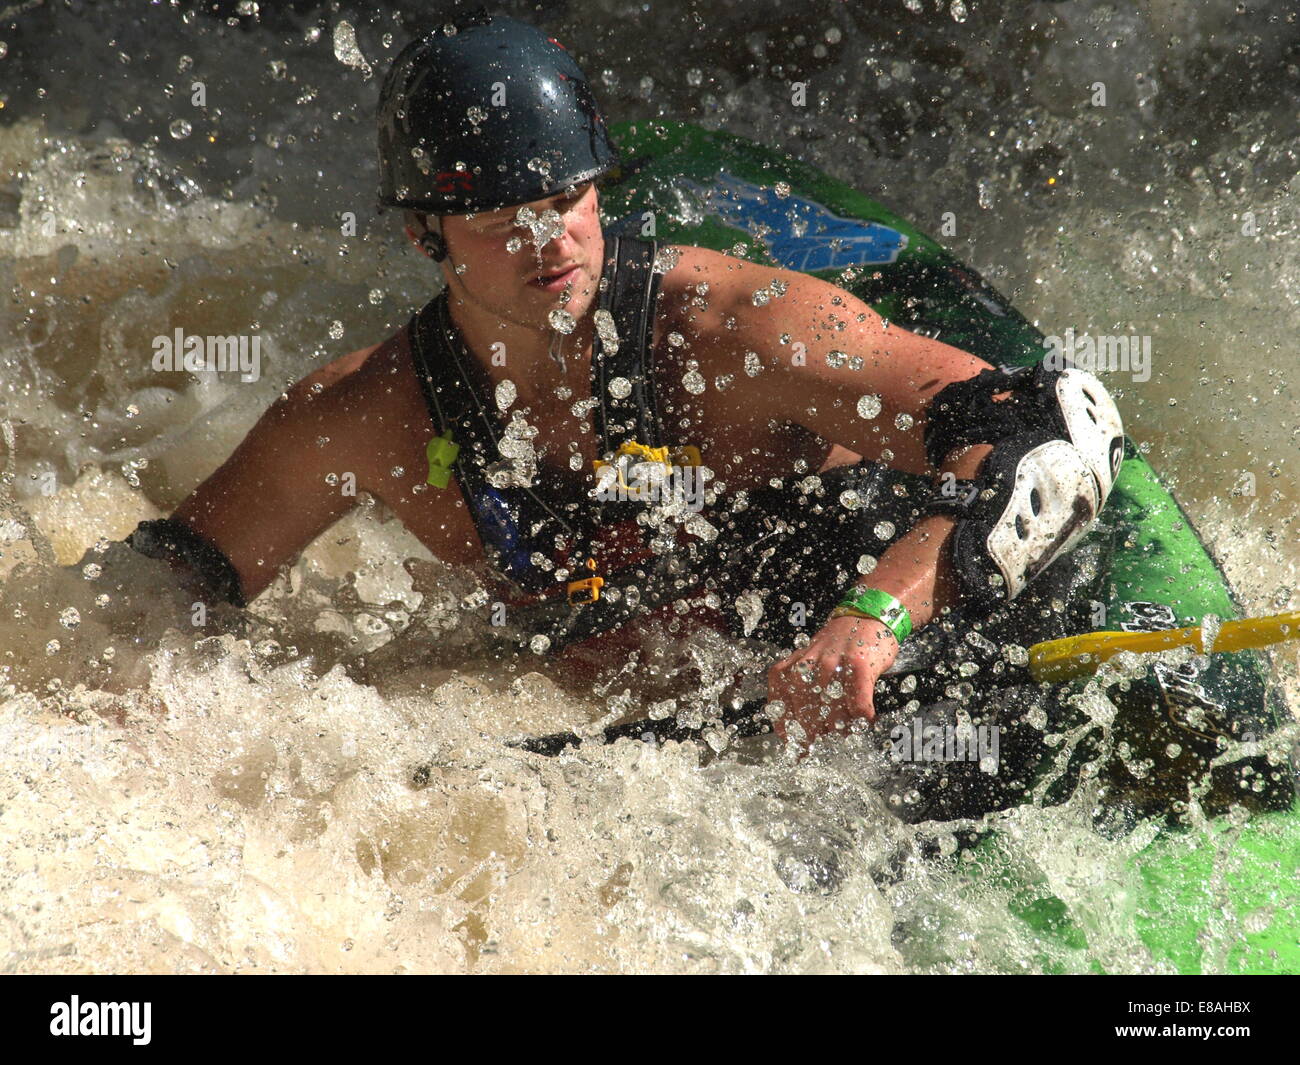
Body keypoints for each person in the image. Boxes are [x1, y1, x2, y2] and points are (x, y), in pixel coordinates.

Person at [126, 12, 1124, 753]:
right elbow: (152, 594)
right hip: (650, 758)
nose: (551, 237)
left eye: (569, 198)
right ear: (421, 232)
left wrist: (873, 622)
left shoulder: (738, 334)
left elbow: (1054, 427)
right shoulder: (363, 417)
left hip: (898, 681)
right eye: (505, 216)